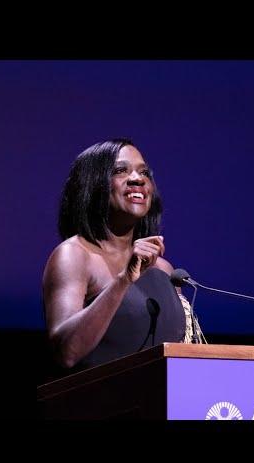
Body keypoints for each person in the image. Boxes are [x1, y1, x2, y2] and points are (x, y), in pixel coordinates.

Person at [42, 138, 199, 374]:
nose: (138, 179)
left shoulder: (164, 269)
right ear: (93, 184)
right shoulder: (74, 255)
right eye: (120, 171)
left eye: (144, 172)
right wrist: (124, 279)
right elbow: (67, 352)